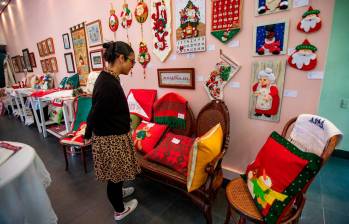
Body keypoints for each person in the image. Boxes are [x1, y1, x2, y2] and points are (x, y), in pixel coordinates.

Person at [84, 41, 140, 221]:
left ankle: (119, 191)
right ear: (121, 58)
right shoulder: (108, 83)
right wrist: (87, 133)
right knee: (114, 177)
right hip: (110, 140)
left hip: (114, 136)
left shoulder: (109, 78)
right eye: (132, 61)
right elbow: (95, 112)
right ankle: (119, 210)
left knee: (118, 173)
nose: (133, 66)